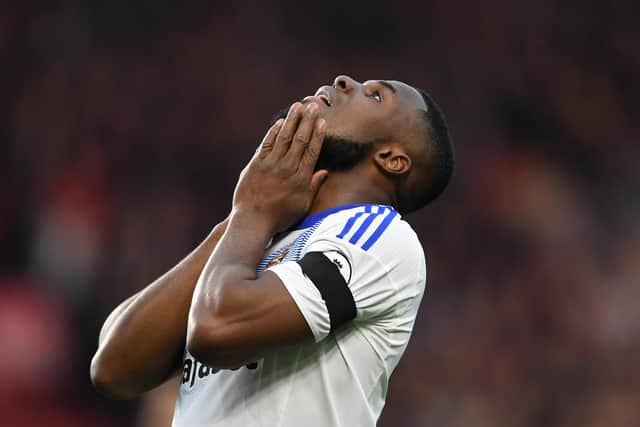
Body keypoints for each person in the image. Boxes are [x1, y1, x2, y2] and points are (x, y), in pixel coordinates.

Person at [90, 75, 454, 426]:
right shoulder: (255, 238)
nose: (345, 81)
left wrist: (250, 212)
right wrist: (239, 220)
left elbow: (216, 328)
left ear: (393, 159)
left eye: (376, 96)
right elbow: (112, 369)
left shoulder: (379, 236)